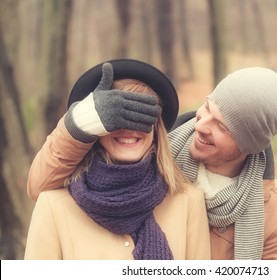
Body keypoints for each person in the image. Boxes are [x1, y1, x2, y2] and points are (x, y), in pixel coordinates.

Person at [27, 62, 277, 260]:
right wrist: (79, 125)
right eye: (206, 108)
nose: (201, 125)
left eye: (223, 127)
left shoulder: (271, 212)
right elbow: (40, 186)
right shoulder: (158, 155)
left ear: (248, 144)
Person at [24, 59, 211, 260]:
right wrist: (78, 124)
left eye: (139, 117)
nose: (129, 129)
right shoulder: (54, 207)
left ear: (156, 128)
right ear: (95, 129)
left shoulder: (188, 202)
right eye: (115, 119)